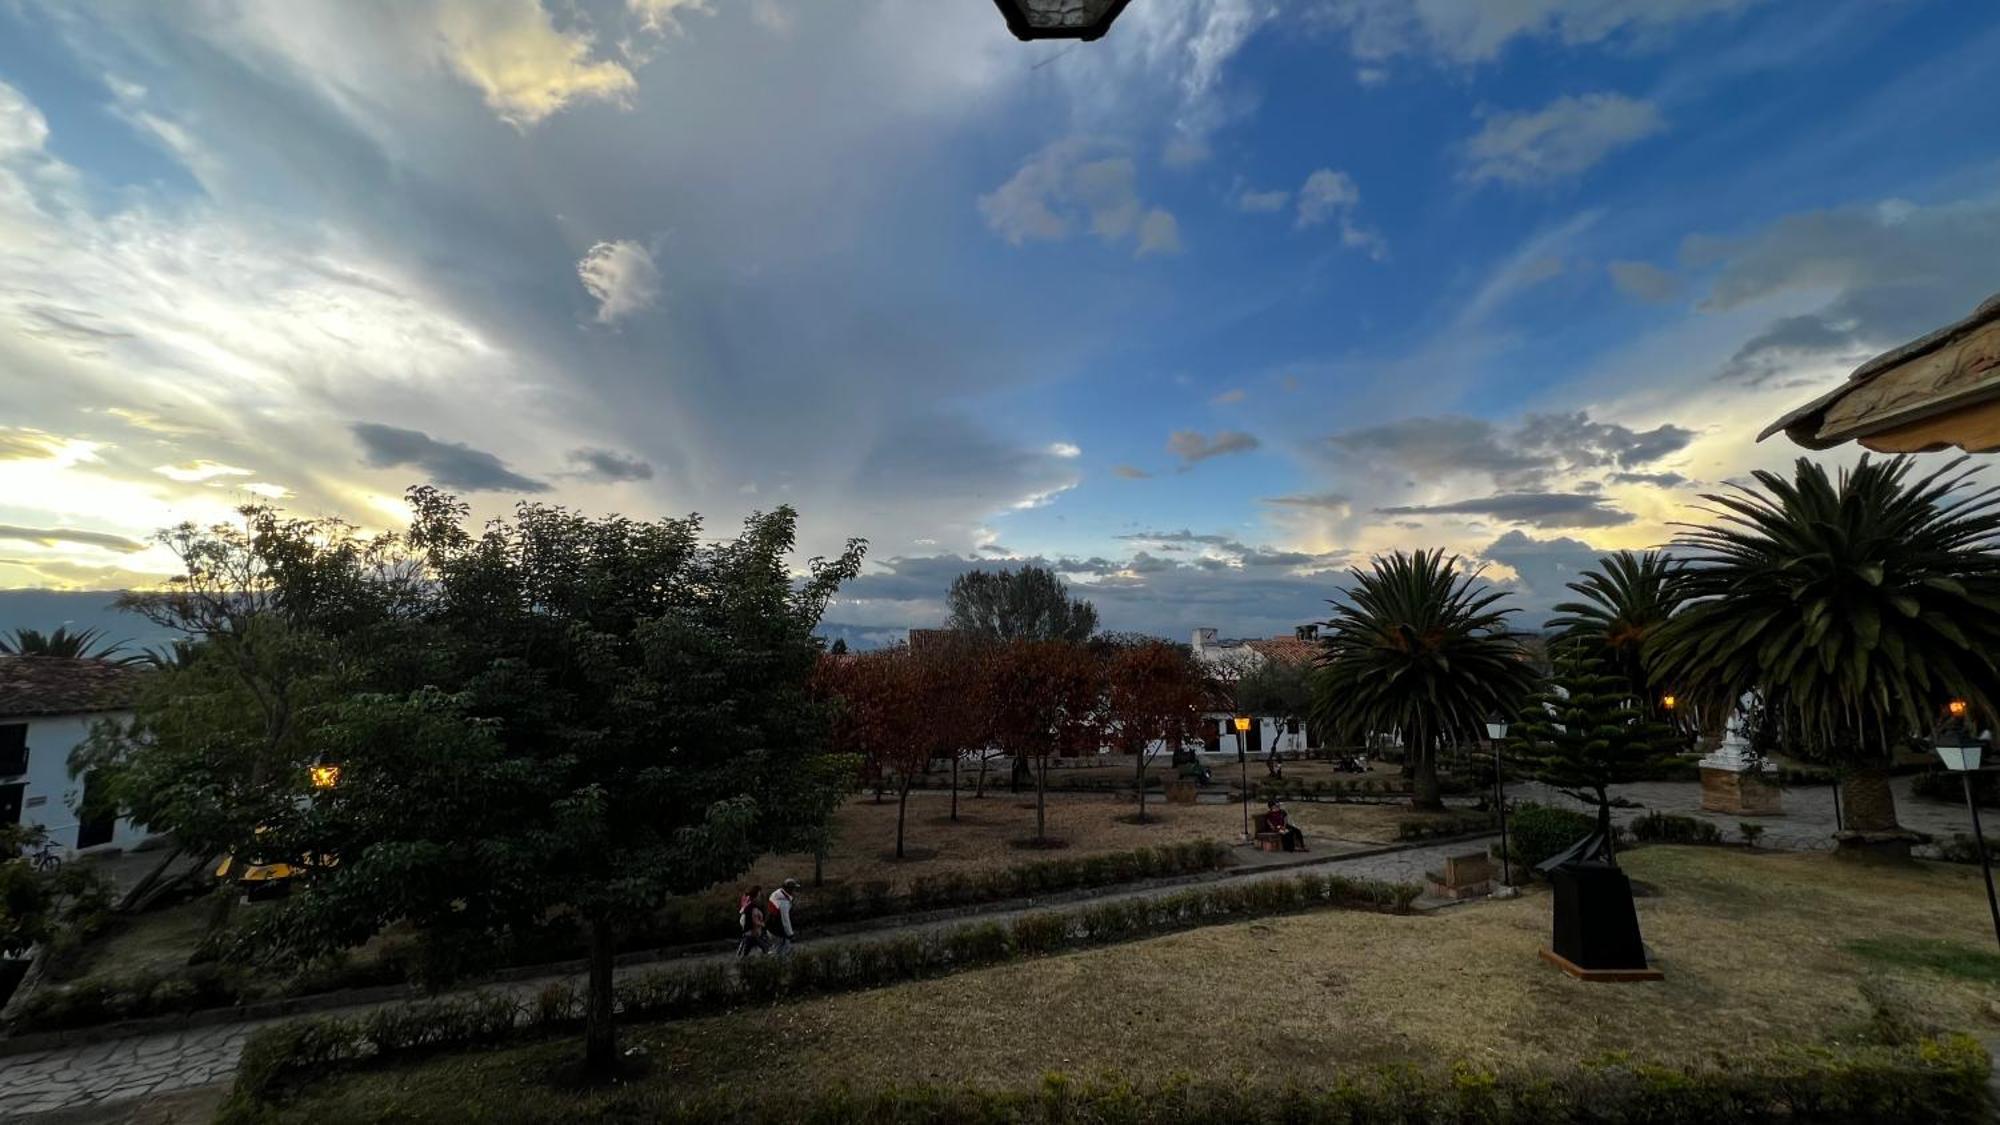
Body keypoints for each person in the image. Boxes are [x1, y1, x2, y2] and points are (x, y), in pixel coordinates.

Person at [767, 878, 801, 957]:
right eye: (793, 889)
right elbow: (785, 920)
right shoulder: (783, 902)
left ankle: (770, 961)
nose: (794, 891)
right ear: (789, 889)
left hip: (770, 926)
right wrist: (790, 934)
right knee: (784, 949)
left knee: (777, 949)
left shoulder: (778, 893)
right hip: (777, 929)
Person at [736, 884, 769, 957]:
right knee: (765, 948)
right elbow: (754, 921)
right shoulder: (752, 907)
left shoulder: (750, 905)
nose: (760, 897)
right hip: (752, 933)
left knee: (745, 953)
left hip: (750, 933)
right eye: (759, 895)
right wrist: (761, 924)